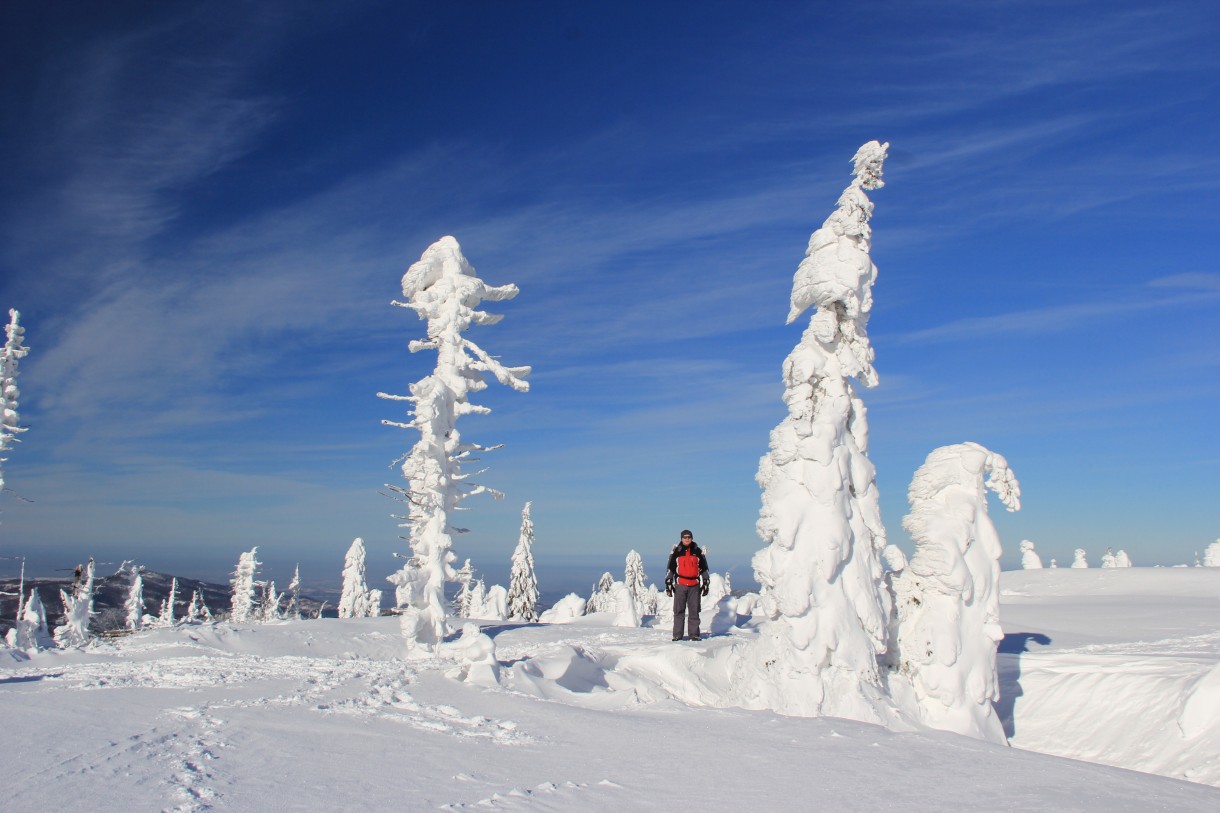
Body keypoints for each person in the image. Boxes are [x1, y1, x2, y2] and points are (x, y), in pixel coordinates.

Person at [665, 529, 709, 641]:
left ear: (692, 538)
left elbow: (704, 568)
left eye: (689, 537)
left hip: (694, 585)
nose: (687, 539)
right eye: (685, 537)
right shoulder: (676, 552)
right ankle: (677, 635)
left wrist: (706, 582)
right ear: (681, 539)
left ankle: (694, 634)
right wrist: (669, 582)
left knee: (694, 610)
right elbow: (671, 568)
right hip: (681, 585)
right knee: (679, 611)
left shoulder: (698, 551)